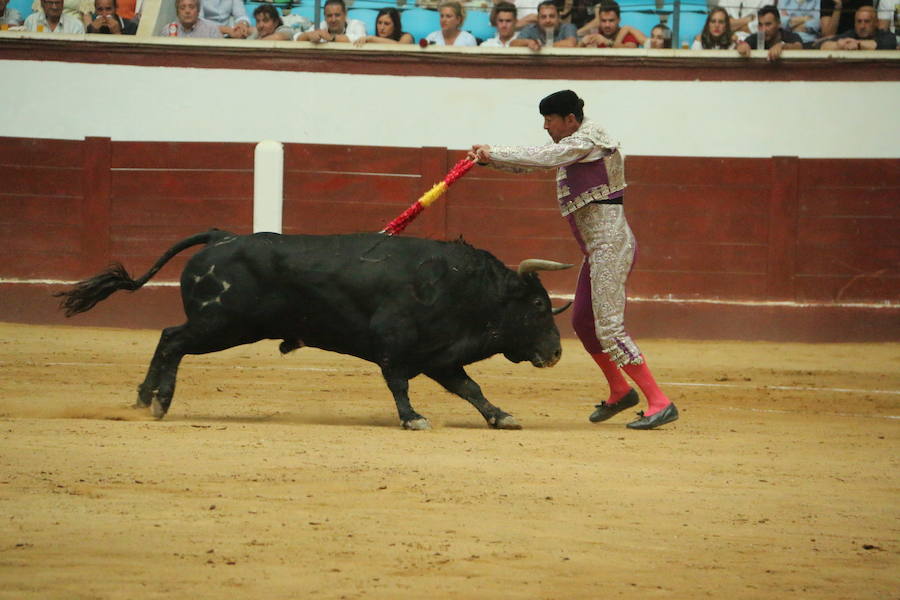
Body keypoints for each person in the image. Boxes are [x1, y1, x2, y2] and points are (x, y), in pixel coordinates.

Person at [468, 90, 679, 431]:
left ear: (570, 119)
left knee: (610, 328)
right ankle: (620, 390)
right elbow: (533, 163)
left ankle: (659, 401)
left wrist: (497, 151)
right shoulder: (574, 147)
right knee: (582, 321)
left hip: (610, 246)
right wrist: (489, 160)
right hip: (597, 250)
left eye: (549, 120)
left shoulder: (588, 140)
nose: (546, 127)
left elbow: (546, 156)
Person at [737, 5, 803, 59]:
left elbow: (798, 46)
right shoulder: (756, 37)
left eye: (768, 24)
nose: (763, 29)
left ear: (779, 23)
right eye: (760, 25)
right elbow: (744, 44)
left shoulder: (789, 36)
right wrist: (742, 46)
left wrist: (782, 46)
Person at [819, 4, 897, 47]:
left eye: (867, 21)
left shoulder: (885, 36)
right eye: (859, 21)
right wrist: (838, 45)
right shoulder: (850, 35)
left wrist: (858, 44)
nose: (862, 26)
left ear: (876, 23)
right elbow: (821, 45)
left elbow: (888, 43)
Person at [578, 0, 646, 47]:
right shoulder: (595, 34)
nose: (607, 25)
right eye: (604, 21)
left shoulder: (627, 35)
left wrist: (608, 42)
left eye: (611, 21)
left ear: (619, 20)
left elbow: (631, 50)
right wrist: (581, 44)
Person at [512, 0, 577, 49]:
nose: (547, 20)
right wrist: (529, 42)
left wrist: (542, 47)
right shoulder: (531, 28)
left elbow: (571, 43)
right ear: (538, 19)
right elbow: (513, 44)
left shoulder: (568, 27)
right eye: (543, 17)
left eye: (552, 16)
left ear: (558, 18)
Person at [294, 0, 366, 43]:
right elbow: (296, 38)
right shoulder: (322, 25)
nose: (333, 20)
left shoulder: (356, 24)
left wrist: (332, 38)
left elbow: (361, 39)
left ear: (345, 14)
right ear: (324, 17)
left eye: (337, 15)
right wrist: (308, 35)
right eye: (329, 15)